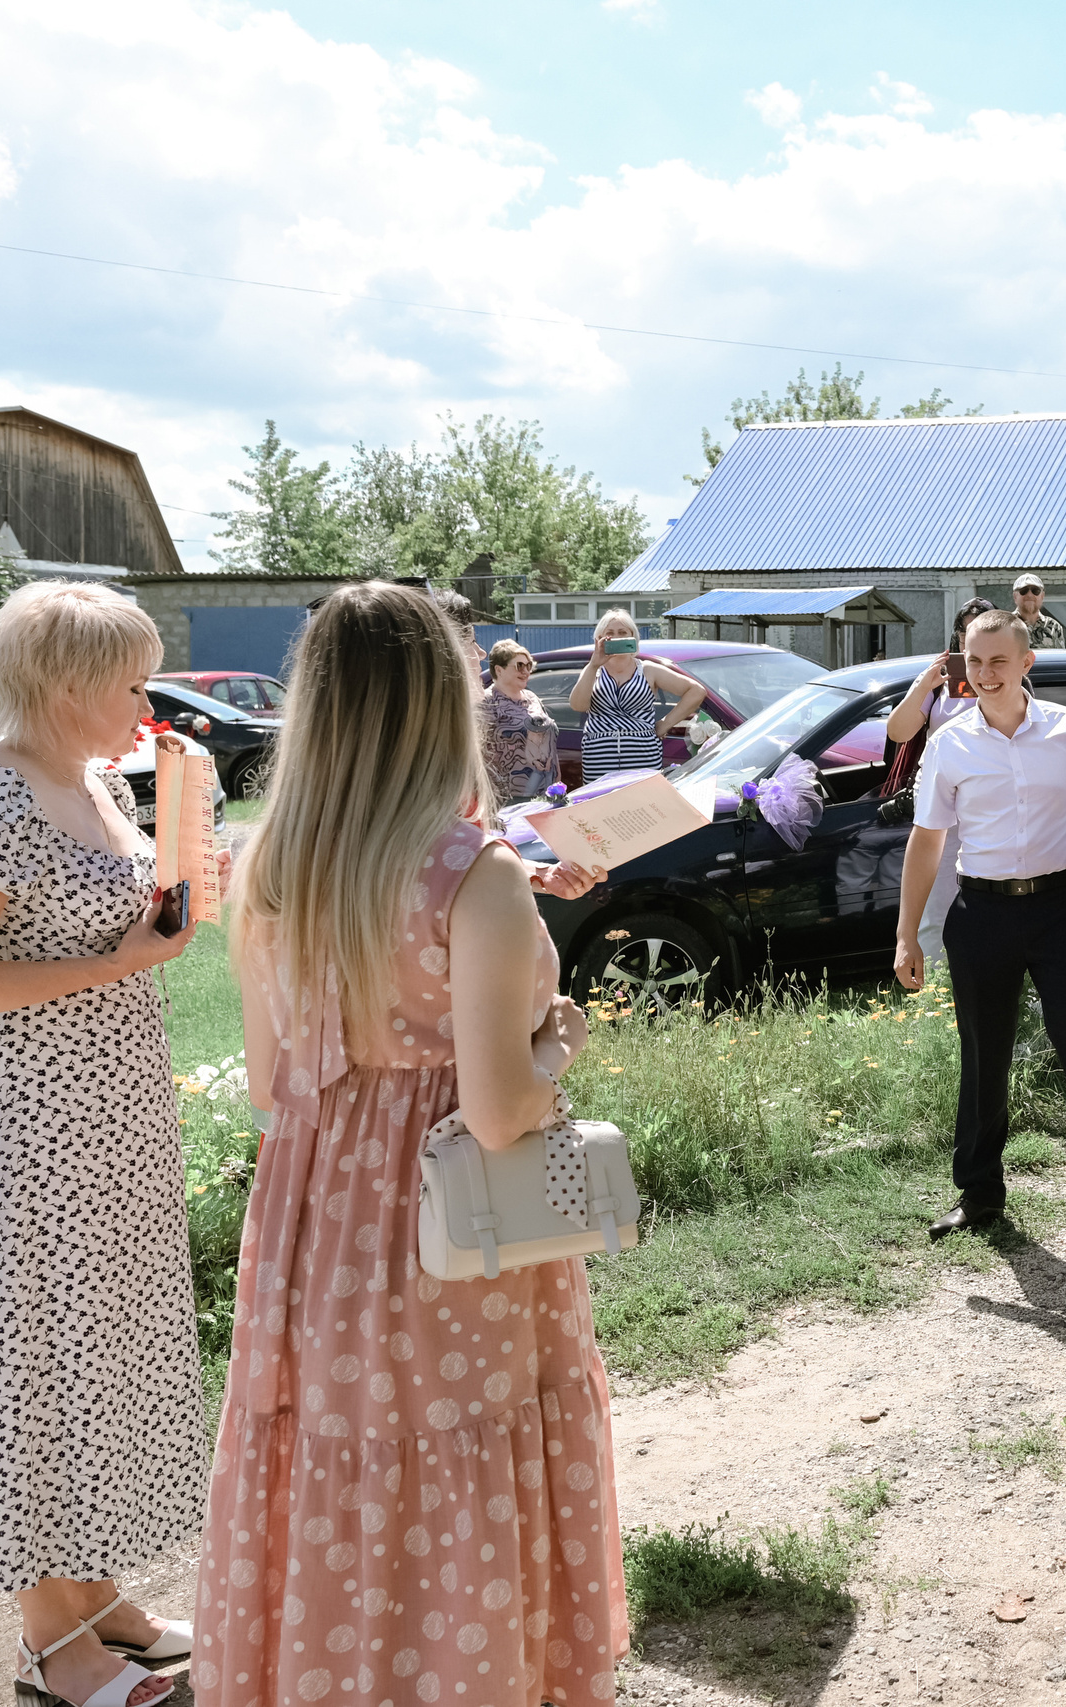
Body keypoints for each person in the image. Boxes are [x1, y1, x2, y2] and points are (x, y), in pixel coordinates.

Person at [198, 581, 622, 1707]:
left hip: (312, 1228)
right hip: (451, 1237)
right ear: (443, 702)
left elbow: (265, 1081)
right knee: (461, 1467)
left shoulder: (269, 866)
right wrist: (558, 1042)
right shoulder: (471, 872)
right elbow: (497, 1112)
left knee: (335, 1471)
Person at [0, 583, 210, 1707]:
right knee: (43, 1368)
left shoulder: (96, 781)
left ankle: (100, 1600)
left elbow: (139, 920)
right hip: (38, 1138)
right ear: (68, 684)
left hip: (119, 1124)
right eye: (129, 678)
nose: (144, 698)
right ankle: (48, 1644)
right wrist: (126, 959)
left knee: (107, 1357)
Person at [896, 609, 1066, 1240]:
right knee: (983, 1058)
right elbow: (925, 842)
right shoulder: (950, 741)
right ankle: (979, 1194)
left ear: (1027, 663)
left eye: (998, 661)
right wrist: (906, 934)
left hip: (1061, 910)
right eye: (974, 662)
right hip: (981, 913)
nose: (984, 674)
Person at [889, 596, 1000, 962]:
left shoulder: (1007, 675)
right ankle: (937, 985)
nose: (971, 635)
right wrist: (923, 685)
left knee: (991, 898)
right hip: (942, 803)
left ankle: (993, 976)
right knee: (936, 900)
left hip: (992, 806)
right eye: (965, 629)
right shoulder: (939, 678)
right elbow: (898, 732)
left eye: (981, 626)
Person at [569, 607, 706, 780]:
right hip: (598, 760)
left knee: (642, 805)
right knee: (602, 805)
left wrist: (665, 724)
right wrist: (594, 664)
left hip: (643, 757)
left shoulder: (648, 670)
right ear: (599, 638)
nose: (617, 637)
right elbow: (578, 705)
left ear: (632, 636)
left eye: (622, 632)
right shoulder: (593, 671)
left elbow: (696, 691)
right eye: (610, 633)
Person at [479, 636, 560, 805]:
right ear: (499, 670)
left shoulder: (532, 698)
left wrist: (557, 784)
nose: (525, 671)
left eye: (528, 665)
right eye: (519, 666)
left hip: (546, 792)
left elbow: (550, 745)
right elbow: (477, 755)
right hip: (509, 798)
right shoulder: (487, 702)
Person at [1013, 573, 1066, 650]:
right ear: (1015, 596)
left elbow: (1059, 660)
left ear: (1042, 596)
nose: (1030, 595)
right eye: (1024, 590)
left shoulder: (1054, 627)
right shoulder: (1006, 625)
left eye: (1035, 591)